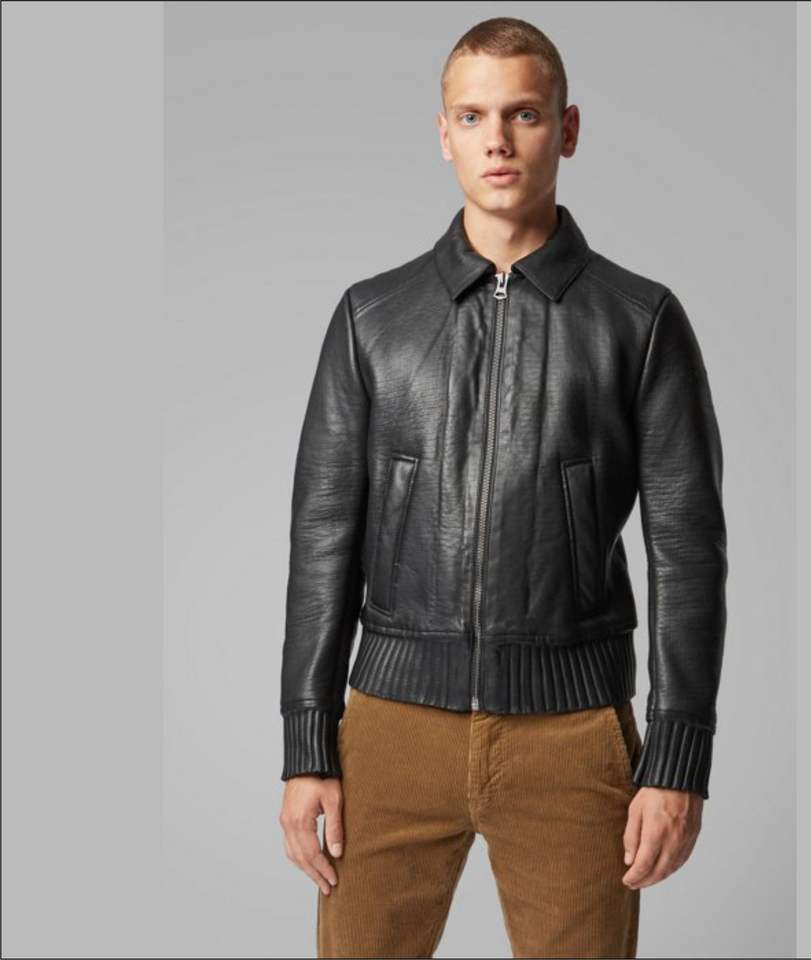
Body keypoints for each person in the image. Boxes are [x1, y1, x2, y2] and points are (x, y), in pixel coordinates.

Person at [278, 16, 727, 959]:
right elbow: (322, 539)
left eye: (523, 114)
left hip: (571, 735)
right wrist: (307, 742)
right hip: (392, 730)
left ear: (567, 129)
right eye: (473, 116)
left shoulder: (640, 322)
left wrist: (678, 757)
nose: (497, 141)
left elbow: (688, 552)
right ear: (442, 133)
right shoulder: (371, 318)